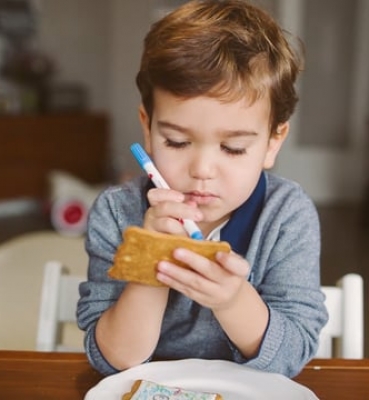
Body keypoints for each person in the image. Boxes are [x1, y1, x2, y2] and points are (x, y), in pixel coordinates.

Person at [77, 0, 328, 378]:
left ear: (273, 143)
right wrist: (151, 263)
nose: (202, 171)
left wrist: (233, 300)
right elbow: (112, 359)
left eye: (233, 148)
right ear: (147, 126)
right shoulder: (116, 212)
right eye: (176, 142)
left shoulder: (287, 215)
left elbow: (291, 357)